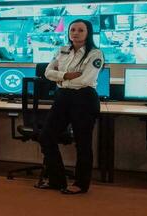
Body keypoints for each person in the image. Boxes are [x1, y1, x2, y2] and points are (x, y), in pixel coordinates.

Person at [37, 19, 103, 194]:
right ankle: (56, 180)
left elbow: (85, 79)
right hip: (62, 97)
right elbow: (47, 72)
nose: (75, 33)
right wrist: (67, 75)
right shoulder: (62, 50)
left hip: (84, 98)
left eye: (80, 30)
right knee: (46, 137)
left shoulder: (95, 54)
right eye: (72, 29)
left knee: (83, 142)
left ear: (88, 33)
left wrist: (59, 76)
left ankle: (81, 184)